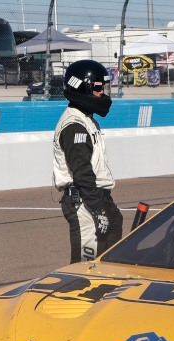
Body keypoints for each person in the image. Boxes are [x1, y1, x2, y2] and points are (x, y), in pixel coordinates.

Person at [53, 59, 123, 264]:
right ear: (82, 87)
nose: (103, 93)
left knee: (110, 260)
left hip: (97, 198)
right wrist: (98, 209)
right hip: (85, 201)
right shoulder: (74, 125)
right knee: (86, 266)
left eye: (104, 88)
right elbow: (82, 172)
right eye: (98, 88)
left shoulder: (87, 120)